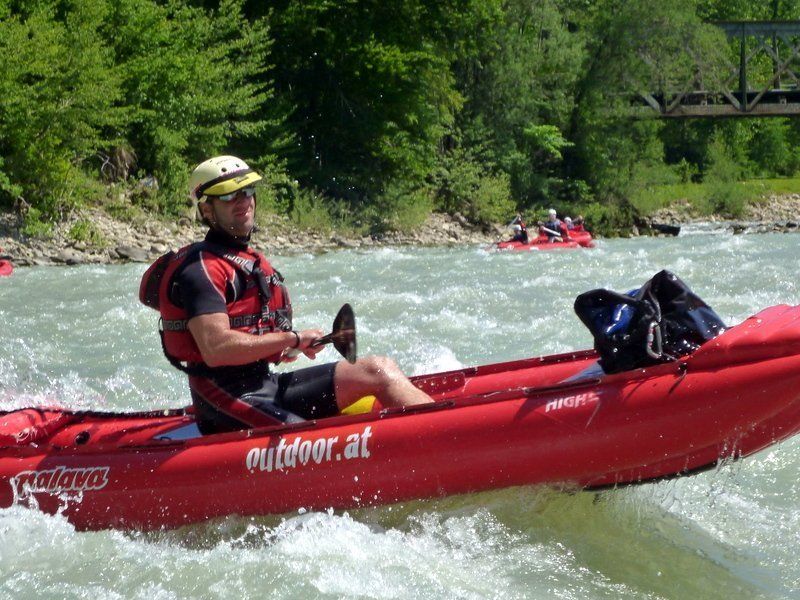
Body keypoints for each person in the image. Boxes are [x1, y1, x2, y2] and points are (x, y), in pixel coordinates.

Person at [140, 155, 434, 434]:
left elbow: (253, 336)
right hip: (224, 401)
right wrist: (291, 339)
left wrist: (289, 346)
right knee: (312, 442)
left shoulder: (244, 260)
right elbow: (216, 349)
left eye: (247, 191)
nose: (242, 201)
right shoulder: (200, 270)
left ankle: (439, 433)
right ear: (207, 210)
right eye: (228, 196)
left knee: (378, 370)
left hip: (266, 383)